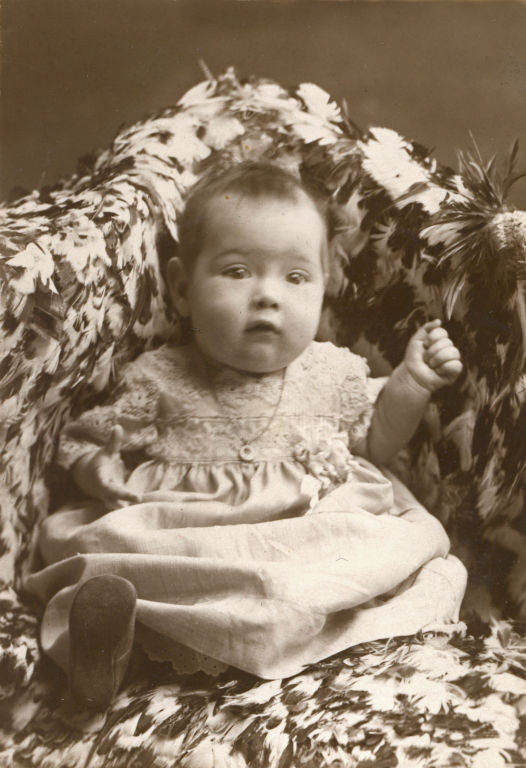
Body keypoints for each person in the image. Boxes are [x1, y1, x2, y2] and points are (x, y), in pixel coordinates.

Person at [25, 161, 467, 710]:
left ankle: (314, 634)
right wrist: (100, 469)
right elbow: (88, 442)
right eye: (237, 272)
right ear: (183, 288)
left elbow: (374, 445)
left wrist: (412, 382)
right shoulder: (159, 376)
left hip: (303, 540)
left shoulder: (332, 372)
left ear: (323, 289)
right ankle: (110, 652)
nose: (267, 296)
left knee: (351, 560)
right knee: (121, 558)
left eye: (296, 277)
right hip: (194, 539)